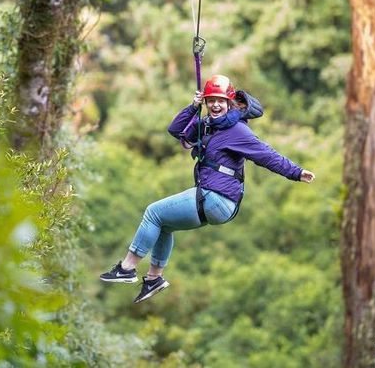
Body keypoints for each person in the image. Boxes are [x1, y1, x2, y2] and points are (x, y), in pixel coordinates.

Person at [100, 75, 315, 303]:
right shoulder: (208, 126)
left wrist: (297, 172)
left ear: (230, 103)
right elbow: (176, 130)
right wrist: (193, 107)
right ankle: (154, 278)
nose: (214, 105)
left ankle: (127, 268)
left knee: (153, 212)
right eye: (210, 100)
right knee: (164, 225)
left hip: (216, 198)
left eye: (220, 101)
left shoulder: (237, 131)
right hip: (214, 201)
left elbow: (267, 155)